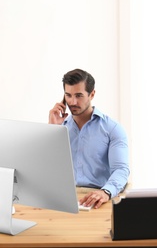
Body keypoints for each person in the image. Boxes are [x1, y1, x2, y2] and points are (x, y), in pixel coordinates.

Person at [49, 68, 130, 209]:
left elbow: (121, 169)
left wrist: (105, 192)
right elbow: (47, 168)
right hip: (63, 199)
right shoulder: (59, 126)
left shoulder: (112, 129)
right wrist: (52, 130)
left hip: (99, 198)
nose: (72, 102)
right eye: (68, 95)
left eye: (79, 95)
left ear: (92, 94)